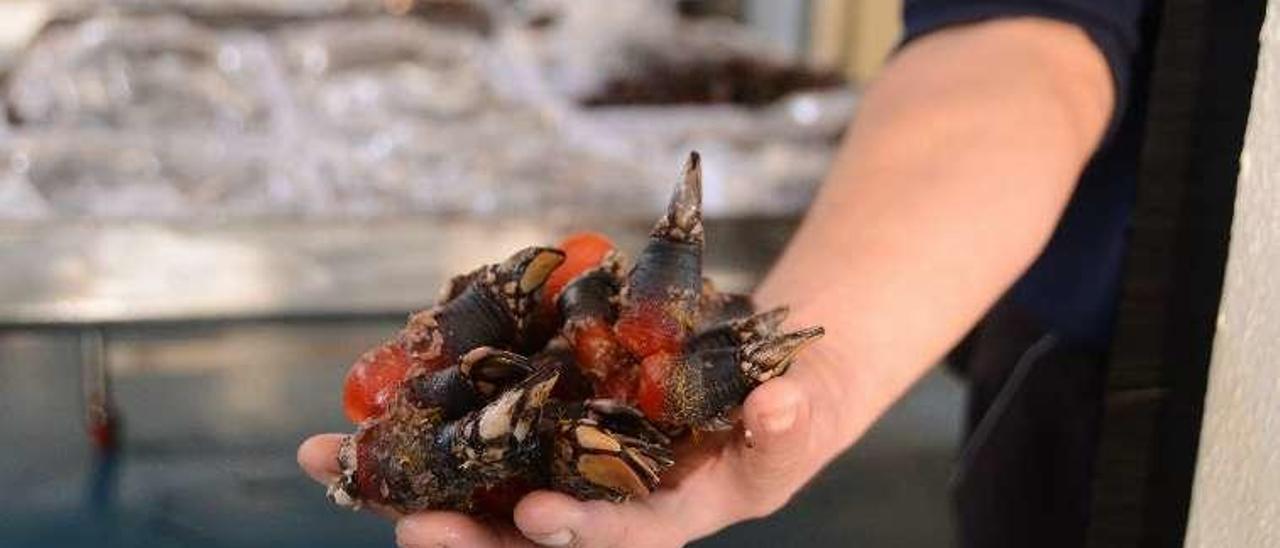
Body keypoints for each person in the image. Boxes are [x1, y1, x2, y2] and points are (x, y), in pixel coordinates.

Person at [300, 1, 1154, 546]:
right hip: (1075, 404)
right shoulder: (593, 342)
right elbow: (1019, 38)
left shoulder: (629, 351)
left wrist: (822, 367)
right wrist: (831, 362)